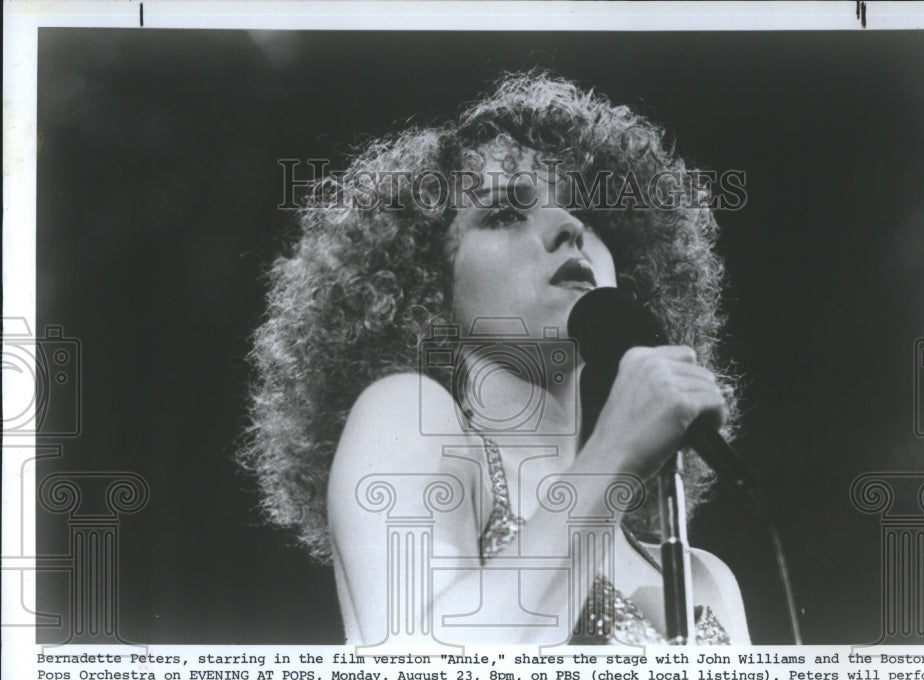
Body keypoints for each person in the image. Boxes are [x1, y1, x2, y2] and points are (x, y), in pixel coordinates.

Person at [241, 71, 750, 646]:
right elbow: (426, 678)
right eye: (506, 213)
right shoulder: (404, 415)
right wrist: (618, 456)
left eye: (587, 212)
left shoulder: (705, 578)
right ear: (424, 283)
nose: (570, 227)